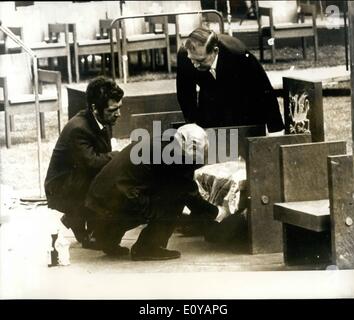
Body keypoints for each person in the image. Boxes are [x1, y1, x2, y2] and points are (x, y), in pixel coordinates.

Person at [85, 124, 228, 259]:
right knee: (175, 200)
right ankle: (148, 247)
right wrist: (217, 212)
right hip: (117, 202)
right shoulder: (176, 157)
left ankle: (107, 237)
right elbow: (189, 195)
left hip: (98, 199)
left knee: (152, 194)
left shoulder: (163, 142)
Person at [44, 76, 124, 252]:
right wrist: (118, 155)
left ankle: (76, 217)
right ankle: (82, 226)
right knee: (101, 179)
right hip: (61, 187)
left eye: (119, 108)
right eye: (113, 110)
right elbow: (92, 163)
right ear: (95, 108)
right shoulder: (78, 128)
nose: (118, 114)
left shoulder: (103, 118)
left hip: (75, 179)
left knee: (108, 176)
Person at [176, 27, 284, 133]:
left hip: (241, 100)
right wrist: (193, 124)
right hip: (210, 98)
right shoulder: (184, 56)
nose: (195, 64)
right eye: (192, 59)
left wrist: (275, 128)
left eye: (200, 60)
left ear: (215, 51)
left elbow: (263, 88)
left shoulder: (238, 54)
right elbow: (185, 93)